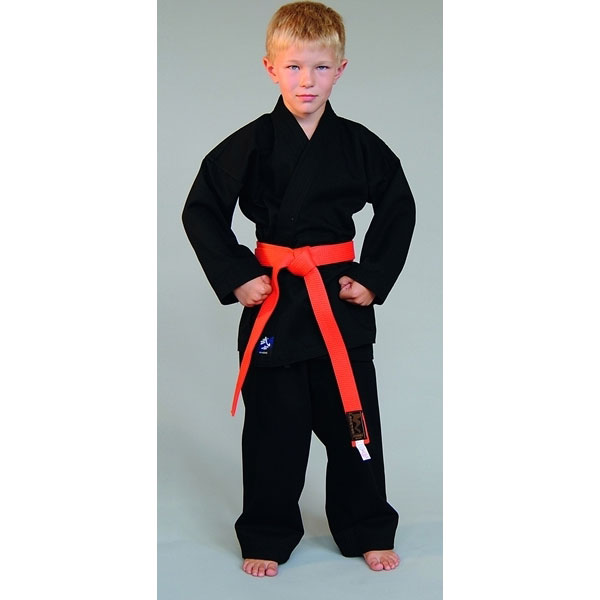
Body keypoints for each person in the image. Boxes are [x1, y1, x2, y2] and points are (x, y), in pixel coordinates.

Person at [182, 1, 415, 578]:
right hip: (277, 302)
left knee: (355, 424)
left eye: (320, 67)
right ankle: (266, 532)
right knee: (272, 431)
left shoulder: (358, 144)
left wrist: (372, 277)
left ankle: (366, 526)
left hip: (338, 303)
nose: (306, 80)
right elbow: (202, 209)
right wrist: (238, 274)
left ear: (340, 70)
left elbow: (398, 207)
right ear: (270, 68)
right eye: (293, 67)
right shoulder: (251, 144)